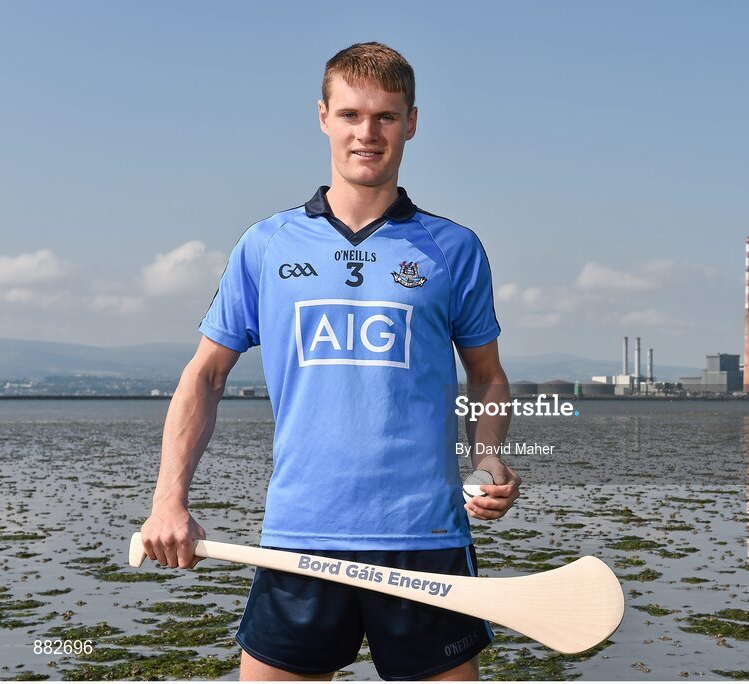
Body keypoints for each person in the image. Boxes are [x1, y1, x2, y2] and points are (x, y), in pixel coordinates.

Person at [140, 42, 520, 681]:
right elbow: (204, 375)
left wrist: (487, 455)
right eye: (350, 115)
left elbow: (486, 373)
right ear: (323, 117)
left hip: (424, 537)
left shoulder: (453, 248)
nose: (366, 133)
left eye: (385, 117)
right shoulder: (266, 245)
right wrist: (168, 499)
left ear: (412, 122)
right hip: (301, 536)